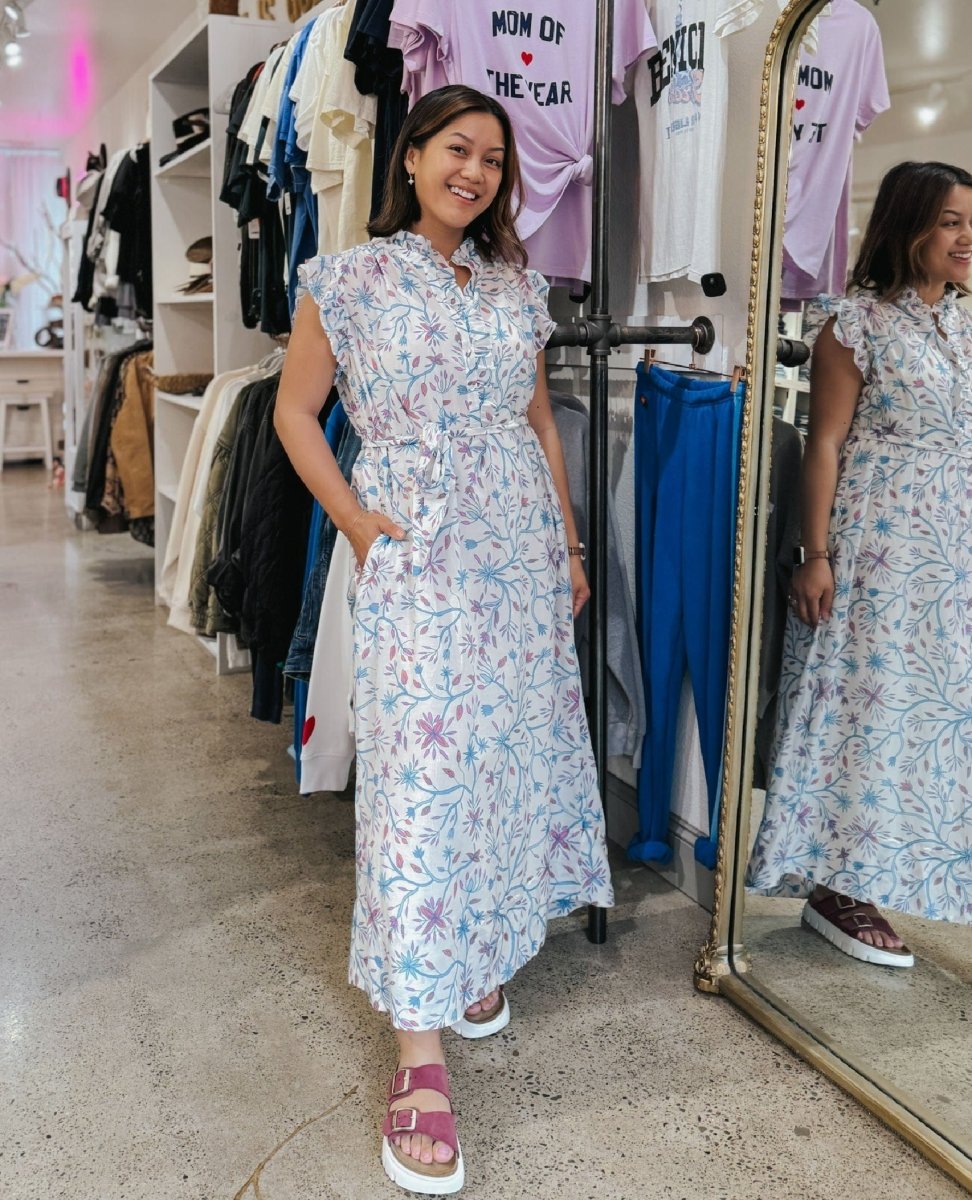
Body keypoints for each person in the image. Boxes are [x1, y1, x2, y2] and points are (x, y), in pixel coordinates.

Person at [274, 85, 614, 1195]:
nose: (477, 172)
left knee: (508, 757)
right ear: (411, 157)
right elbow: (292, 410)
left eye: (494, 160)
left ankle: (475, 948)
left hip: (517, 545)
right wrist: (357, 524)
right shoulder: (348, 276)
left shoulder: (520, 285)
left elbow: (532, 417)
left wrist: (565, 544)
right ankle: (417, 1042)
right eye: (457, 150)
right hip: (414, 541)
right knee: (421, 775)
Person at [747, 160, 972, 967]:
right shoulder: (857, 323)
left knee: (938, 720)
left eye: (971, 222)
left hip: (955, 547)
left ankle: (908, 868)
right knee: (868, 710)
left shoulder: (971, 322)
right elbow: (826, 444)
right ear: (910, 225)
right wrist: (816, 554)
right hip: (880, 538)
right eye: (950, 221)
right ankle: (839, 885)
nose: (966, 237)